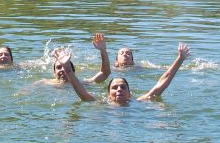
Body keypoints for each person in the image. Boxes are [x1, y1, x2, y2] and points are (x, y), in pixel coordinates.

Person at [61, 43, 191, 103]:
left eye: (123, 87)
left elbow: (160, 83)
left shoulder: (139, 102)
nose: (119, 90)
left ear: (130, 93)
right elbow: (82, 93)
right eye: (115, 87)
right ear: (108, 94)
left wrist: (180, 59)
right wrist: (67, 68)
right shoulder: (101, 104)